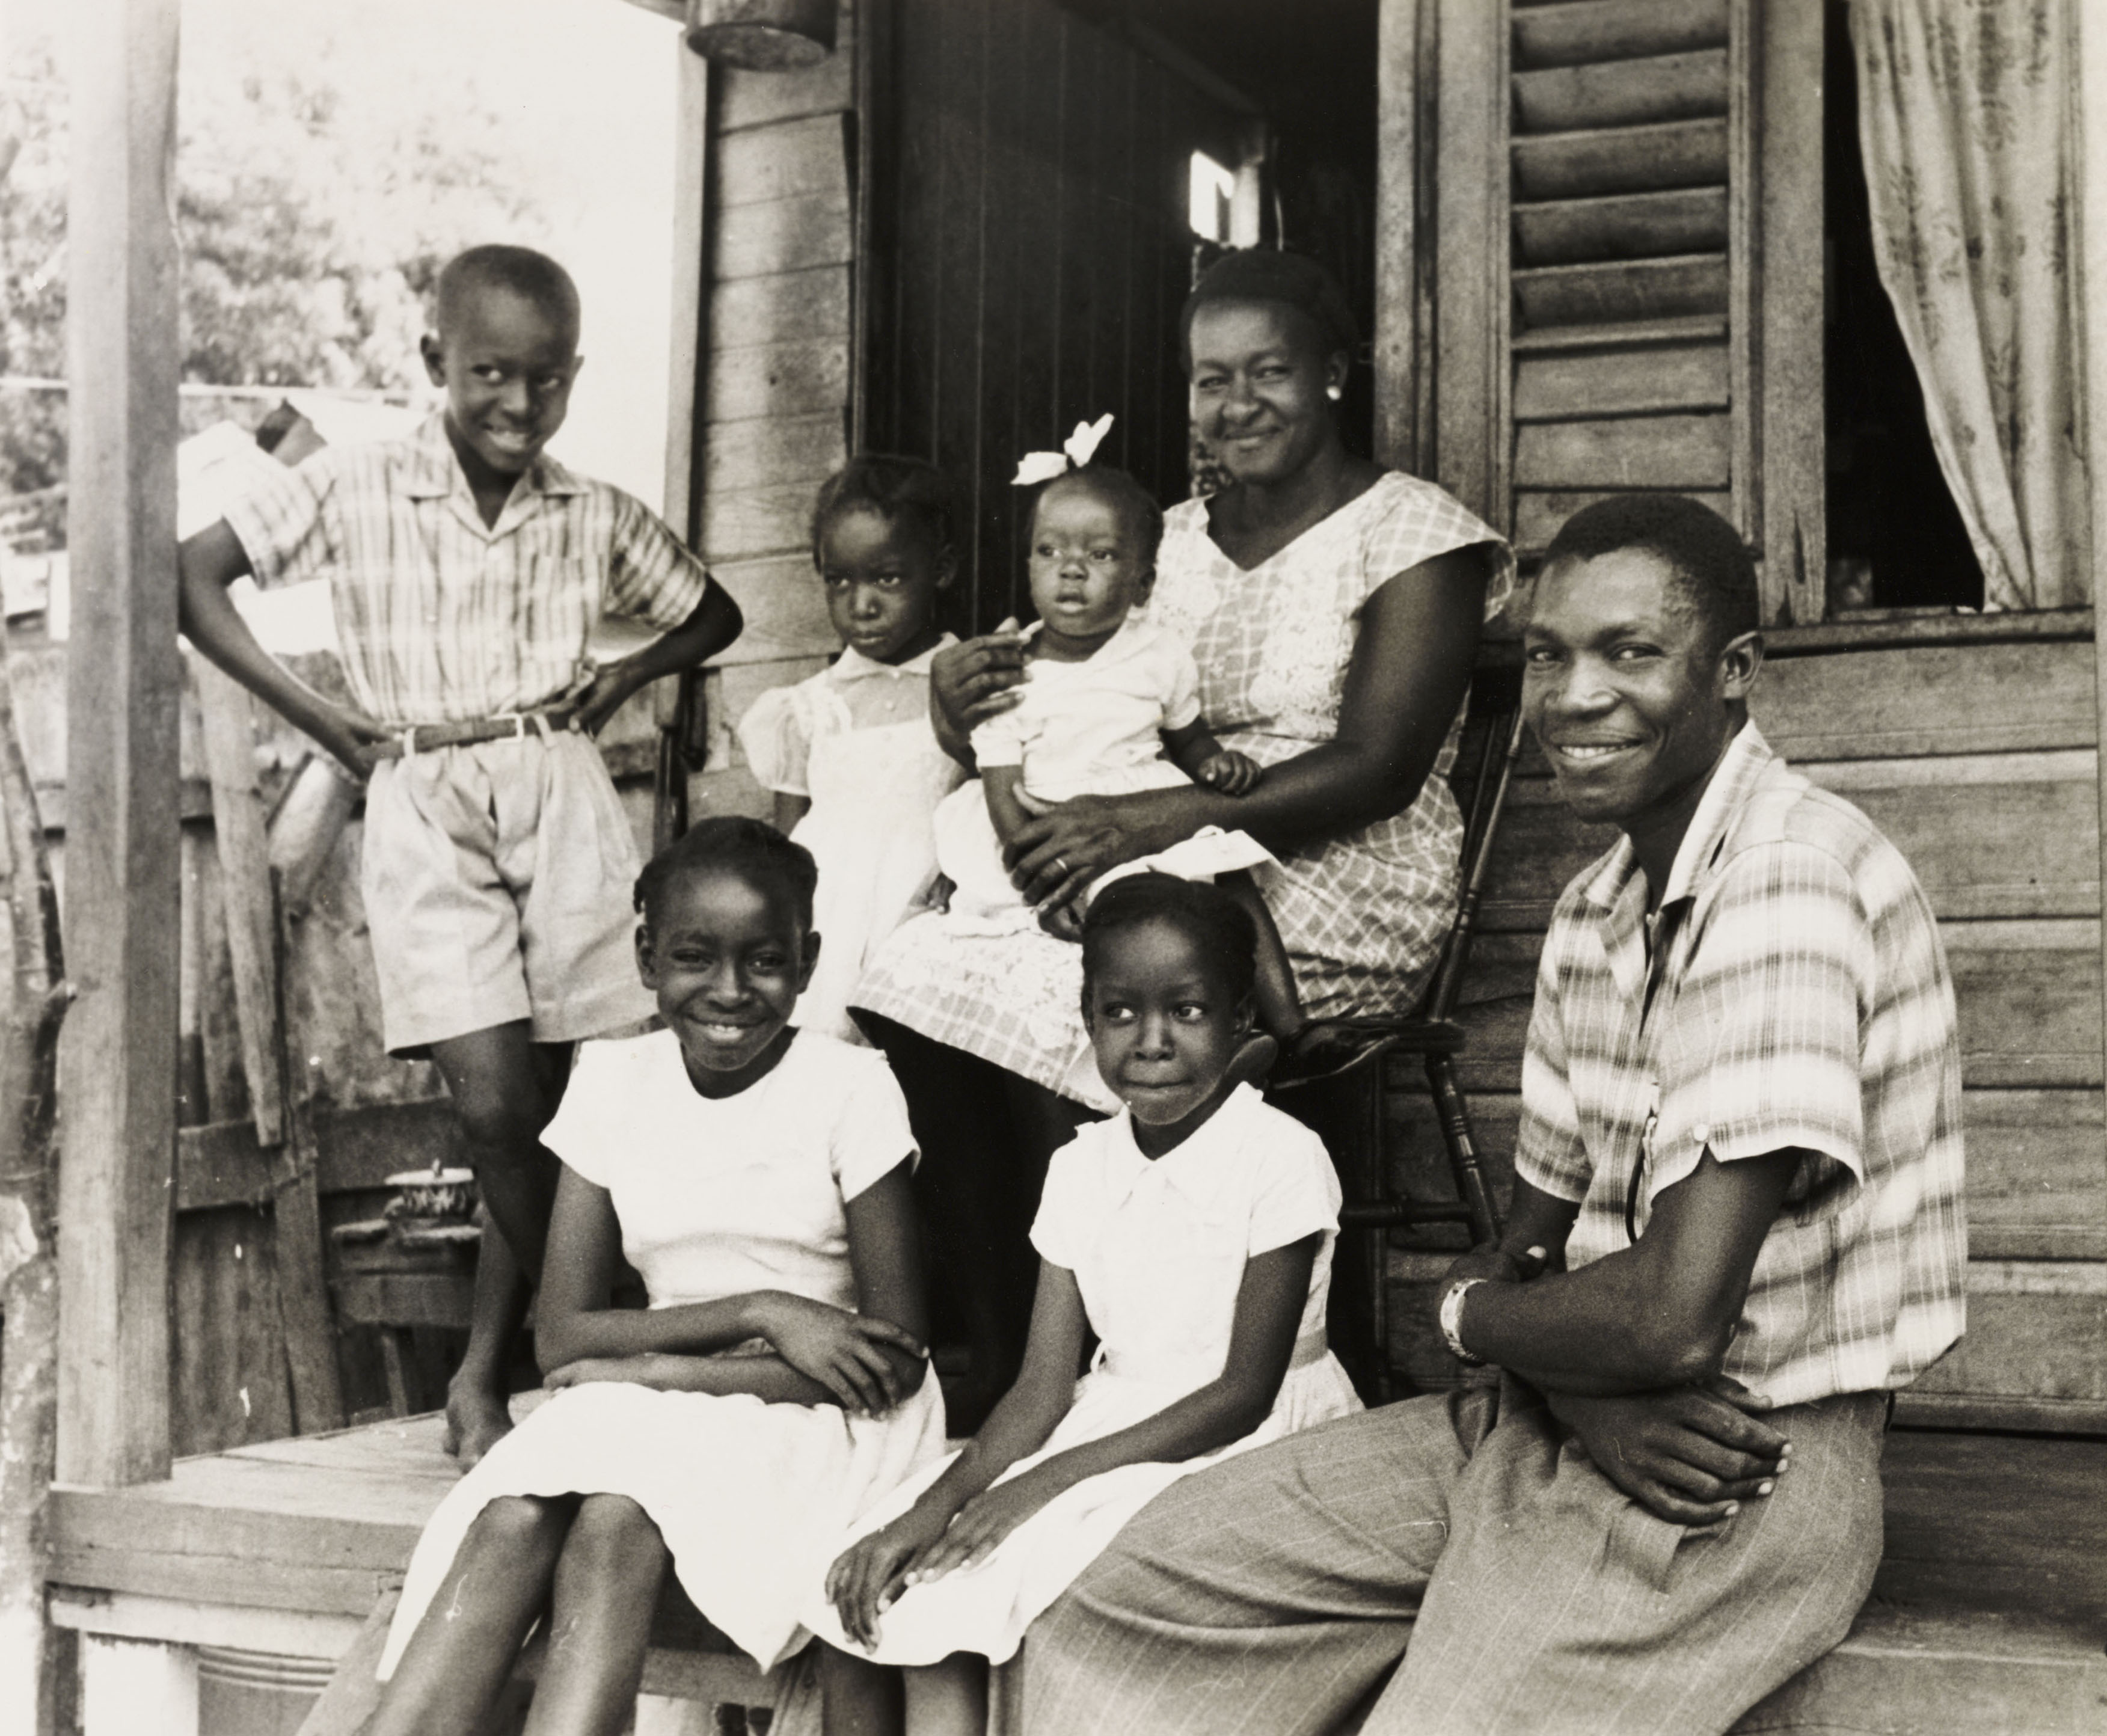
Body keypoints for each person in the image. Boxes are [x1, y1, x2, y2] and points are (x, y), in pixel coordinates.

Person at [1021, 495, 1969, 1736]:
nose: (1574, 695)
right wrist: (1537, 1357)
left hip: (1734, 1463)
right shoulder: (1600, 906)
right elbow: (1524, 1246)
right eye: (1548, 654)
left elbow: (1669, 1322)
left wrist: (1478, 1319)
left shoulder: (1787, 882)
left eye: (1631, 652)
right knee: (1131, 1592)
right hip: (1554, 1410)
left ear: (1734, 674)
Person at [852, 249, 1511, 1420]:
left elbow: (1378, 766)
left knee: (1090, 976)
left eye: (1271, 371)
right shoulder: (1154, 538)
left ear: (1334, 375)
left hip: (1337, 868)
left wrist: (1167, 813)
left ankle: (1136, 1367)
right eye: (1213, 378)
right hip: (1146, 840)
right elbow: (1052, 696)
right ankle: (1016, 1358)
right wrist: (964, 706)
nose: (1238, 401)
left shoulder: (1418, 536)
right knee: (910, 965)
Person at [176, 245, 744, 1467]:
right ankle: (608, 1342)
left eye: (546, 381)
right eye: (490, 372)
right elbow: (195, 575)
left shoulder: (589, 510)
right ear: (435, 361)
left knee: (581, 1104)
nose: (518, 404)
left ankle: (499, 1374)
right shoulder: (352, 484)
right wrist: (322, 721)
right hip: (424, 794)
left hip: (560, 784)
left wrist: (629, 673)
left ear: (573, 379)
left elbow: (714, 611)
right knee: (494, 1105)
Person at [367, 818, 946, 1736]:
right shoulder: (611, 1079)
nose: (728, 990)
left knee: (612, 1521)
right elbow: (561, 1335)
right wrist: (763, 1306)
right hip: (656, 1390)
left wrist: (656, 1368)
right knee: (515, 1513)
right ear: (646, 958)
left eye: (763, 961)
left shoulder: (852, 1087)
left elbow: (892, 1364)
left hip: (814, 1410)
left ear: (810, 960)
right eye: (693, 957)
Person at [811, 875, 1360, 1736]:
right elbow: (1039, 1387)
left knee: (1006, 1569)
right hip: (1115, 1417)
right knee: (898, 1579)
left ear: (1242, 1018)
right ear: (1088, 1017)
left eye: (1186, 1010)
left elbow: (1241, 1393)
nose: (1150, 1040)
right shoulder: (1079, 1165)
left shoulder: (1281, 1156)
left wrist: (1036, 1489)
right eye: (1119, 1013)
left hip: (1242, 1433)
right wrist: (934, 1506)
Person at [931, 459, 1299, 1050]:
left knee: (1230, 869)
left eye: (1100, 556)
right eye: (1049, 551)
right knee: (1132, 930)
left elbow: (1188, 734)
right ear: (1029, 565)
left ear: (1143, 584)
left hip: (1144, 808)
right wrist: (1049, 883)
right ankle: (1172, 1046)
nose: (1071, 570)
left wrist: (1212, 763)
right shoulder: (1011, 671)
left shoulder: (1159, 652)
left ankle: (1290, 1029)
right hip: (1047, 829)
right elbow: (1001, 790)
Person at [737, 456, 968, 1042]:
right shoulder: (807, 706)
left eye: (887, 578)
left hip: (926, 908)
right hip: (830, 917)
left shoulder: (964, 684)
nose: (860, 603)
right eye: (840, 580)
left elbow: (981, 805)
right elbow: (788, 848)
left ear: (940, 570)